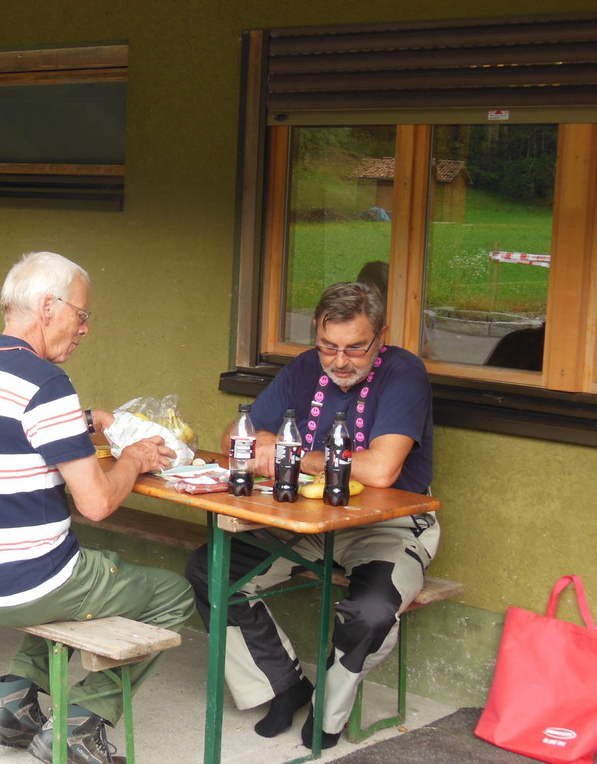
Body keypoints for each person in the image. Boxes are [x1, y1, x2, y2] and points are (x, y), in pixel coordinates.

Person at [0, 251, 196, 764]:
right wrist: (136, 458)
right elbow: (95, 503)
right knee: (172, 592)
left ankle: (15, 701)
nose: (85, 328)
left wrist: (89, 420)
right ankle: (81, 723)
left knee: (78, 569)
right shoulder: (46, 384)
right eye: (82, 313)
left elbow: (9, 434)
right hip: (23, 583)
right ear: (48, 307)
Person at [185, 281, 439, 750]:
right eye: (328, 347)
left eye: (355, 348)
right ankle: (282, 684)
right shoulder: (304, 368)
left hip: (385, 528)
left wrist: (290, 452)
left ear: (380, 336)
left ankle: (328, 711)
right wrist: (261, 442)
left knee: (372, 612)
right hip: (304, 524)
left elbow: (381, 470)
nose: (340, 361)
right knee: (210, 569)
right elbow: (235, 438)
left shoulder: (404, 373)